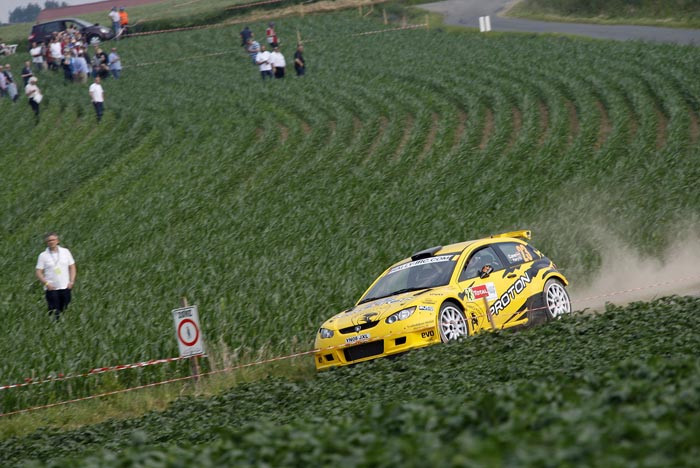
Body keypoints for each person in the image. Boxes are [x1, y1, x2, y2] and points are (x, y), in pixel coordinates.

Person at [35, 232, 76, 321]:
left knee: (65, 309)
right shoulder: (43, 256)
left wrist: (72, 281)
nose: (51, 242)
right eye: (49, 240)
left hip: (65, 287)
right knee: (54, 312)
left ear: (57, 241)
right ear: (46, 242)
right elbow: (38, 272)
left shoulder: (65, 252)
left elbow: (72, 267)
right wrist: (46, 283)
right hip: (52, 288)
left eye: (53, 240)